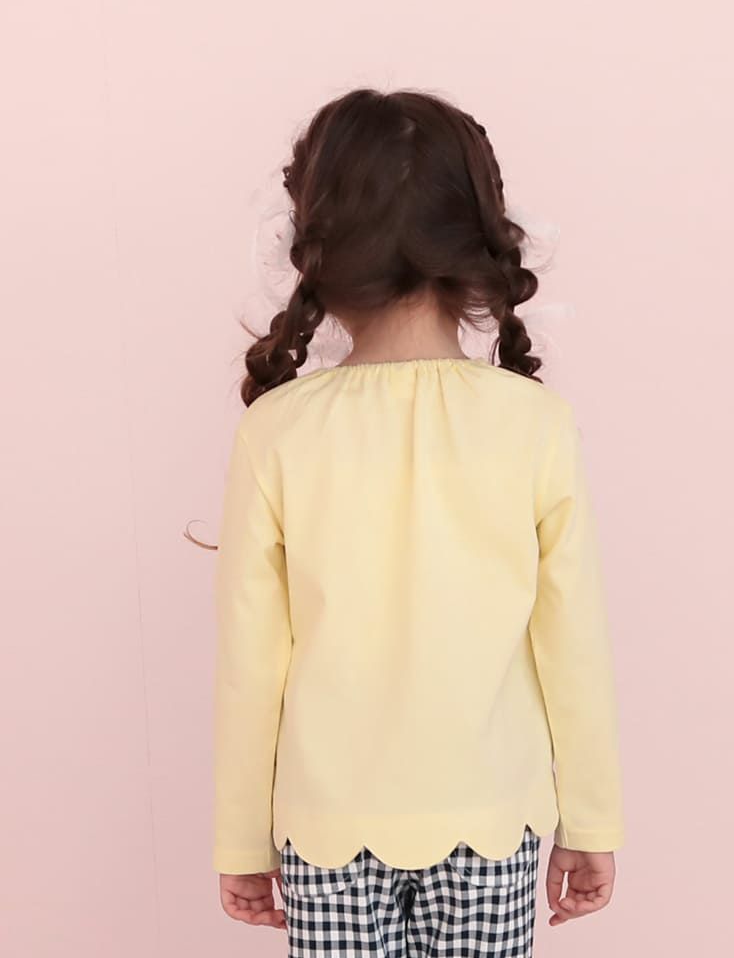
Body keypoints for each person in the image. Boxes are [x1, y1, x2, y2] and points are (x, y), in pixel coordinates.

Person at [204, 87, 625, 955]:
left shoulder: (276, 431)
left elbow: (251, 660)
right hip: (494, 821)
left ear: (317, 250)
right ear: (477, 247)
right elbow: (572, 642)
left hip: (324, 828)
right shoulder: (535, 424)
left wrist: (241, 838)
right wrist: (591, 817)